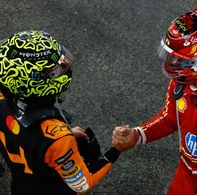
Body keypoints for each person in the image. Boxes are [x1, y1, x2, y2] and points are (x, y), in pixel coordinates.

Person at [112, 3, 197, 195]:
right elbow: (171, 117)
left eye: (181, 60)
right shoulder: (181, 83)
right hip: (184, 179)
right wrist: (138, 135)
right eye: (171, 57)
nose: (172, 64)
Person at [0, 30, 126, 195]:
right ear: (35, 83)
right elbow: (82, 184)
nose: (64, 65)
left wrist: (55, 146)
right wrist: (116, 149)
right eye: (52, 70)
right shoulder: (57, 139)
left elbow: (27, 137)